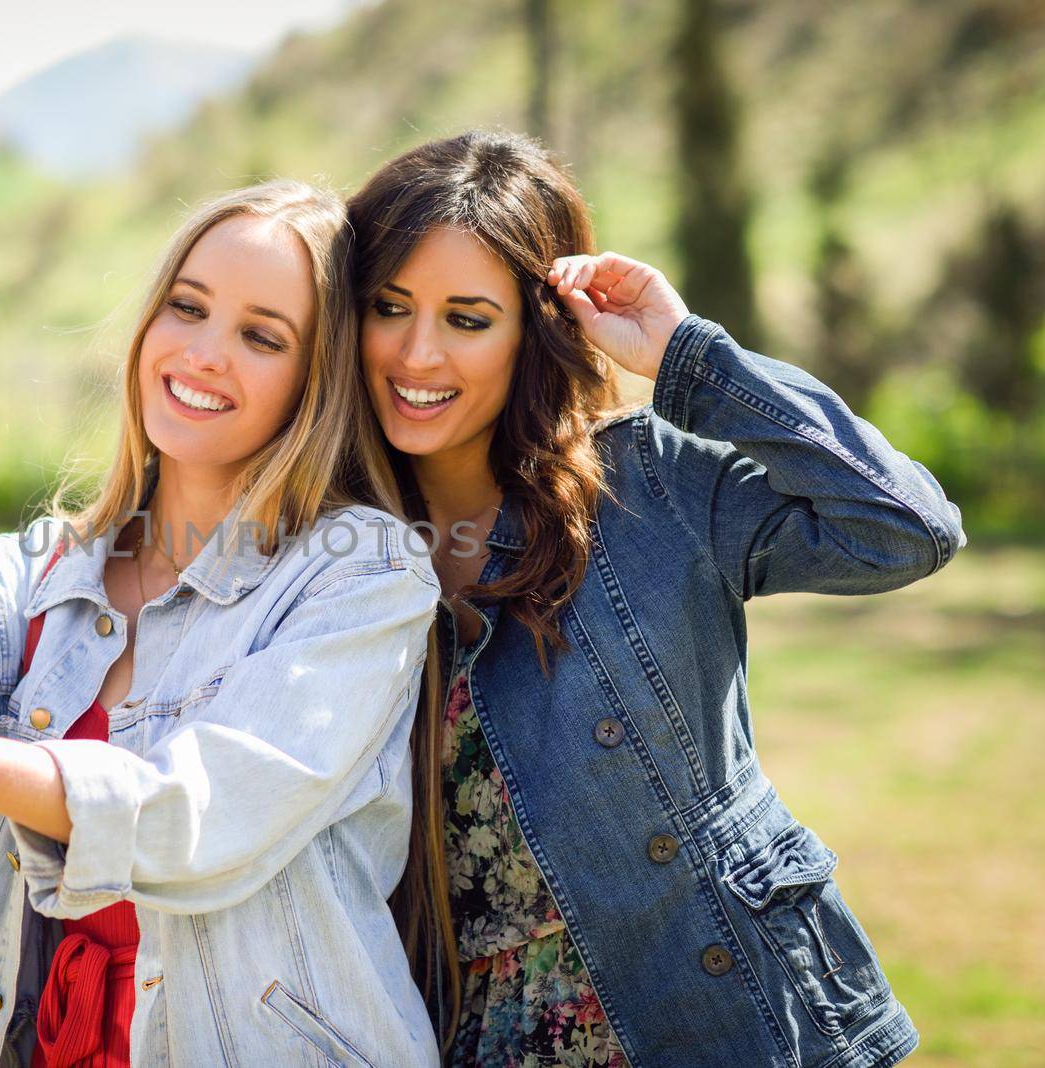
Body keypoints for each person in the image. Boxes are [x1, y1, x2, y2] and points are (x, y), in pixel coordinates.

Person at [0, 179, 447, 1067]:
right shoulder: (38, 566)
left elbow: (195, 821)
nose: (205, 352)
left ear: (318, 379)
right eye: (187, 307)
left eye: (263, 336)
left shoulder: (361, 571)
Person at [347, 130, 964, 1067]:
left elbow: (901, 528)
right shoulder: (331, 555)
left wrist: (687, 357)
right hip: (481, 1037)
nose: (417, 353)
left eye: (468, 318)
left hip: (737, 1010)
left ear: (535, 328)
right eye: (390, 307)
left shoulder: (648, 486)